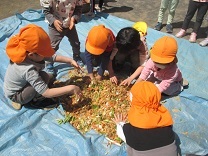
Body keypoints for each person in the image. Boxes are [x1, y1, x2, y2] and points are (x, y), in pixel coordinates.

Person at [3, 24, 82, 110]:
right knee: (44, 78)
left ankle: (31, 94)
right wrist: (71, 88)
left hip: (23, 84)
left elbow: (51, 57)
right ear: (32, 55)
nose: (46, 55)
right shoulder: (27, 69)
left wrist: (69, 60)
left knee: (45, 76)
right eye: (43, 53)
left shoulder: (27, 52)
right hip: (17, 94)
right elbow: (46, 92)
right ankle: (36, 101)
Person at [112, 81, 178, 156]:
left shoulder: (129, 130)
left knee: (130, 145)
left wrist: (119, 123)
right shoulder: (166, 123)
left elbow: (120, 133)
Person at [40, 0, 84, 75]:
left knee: (75, 43)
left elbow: (79, 8)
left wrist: (74, 19)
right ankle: (49, 63)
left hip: (70, 23)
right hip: (55, 26)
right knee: (52, 46)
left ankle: (76, 56)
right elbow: (46, 11)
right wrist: (53, 21)